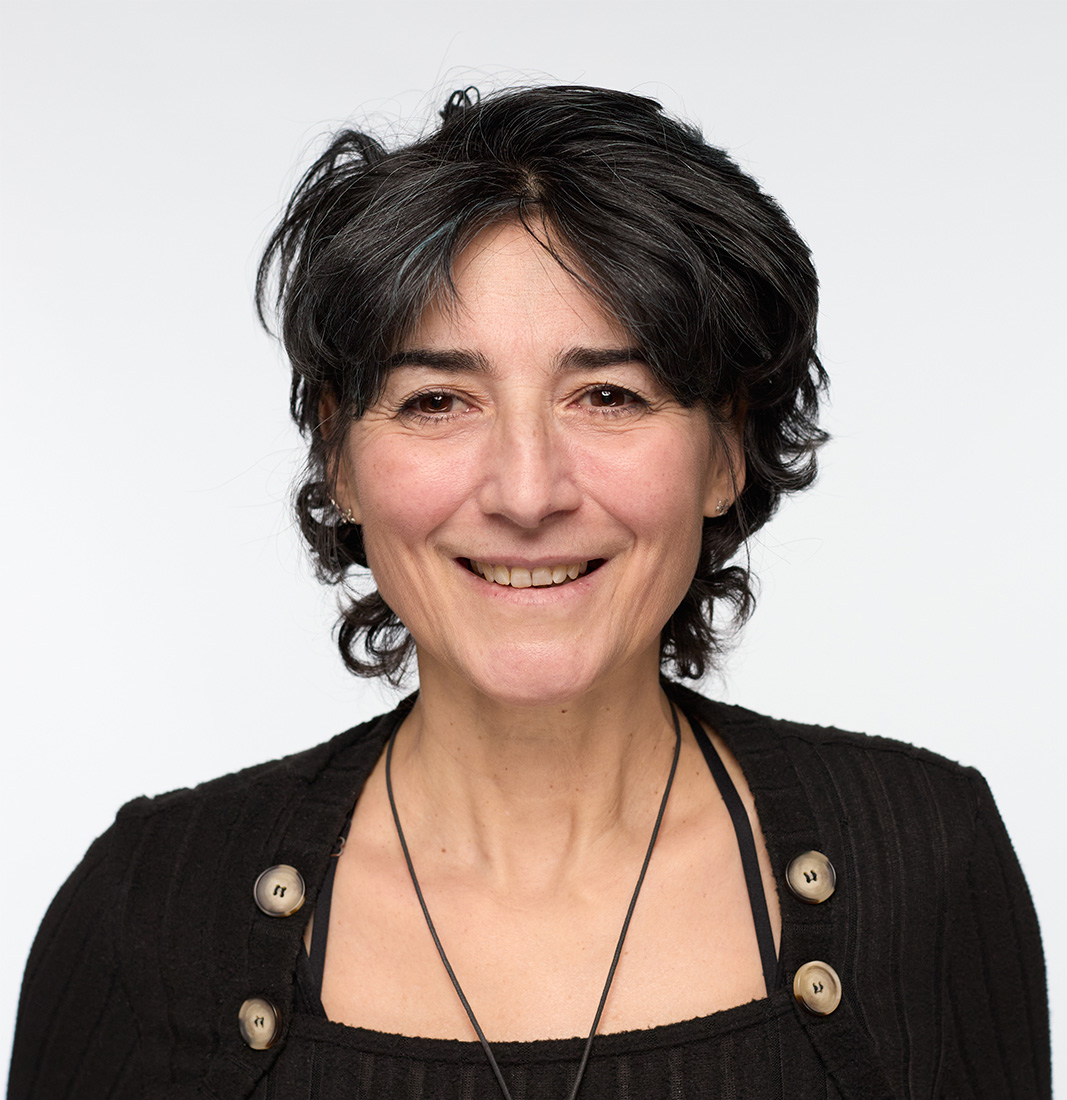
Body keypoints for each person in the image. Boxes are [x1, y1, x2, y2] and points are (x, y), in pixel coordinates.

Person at [9, 85, 1049, 1100]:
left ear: (727, 448)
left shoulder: (922, 859)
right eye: (436, 400)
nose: (525, 491)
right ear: (338, 456)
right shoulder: (151, 902)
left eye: (608, 395)